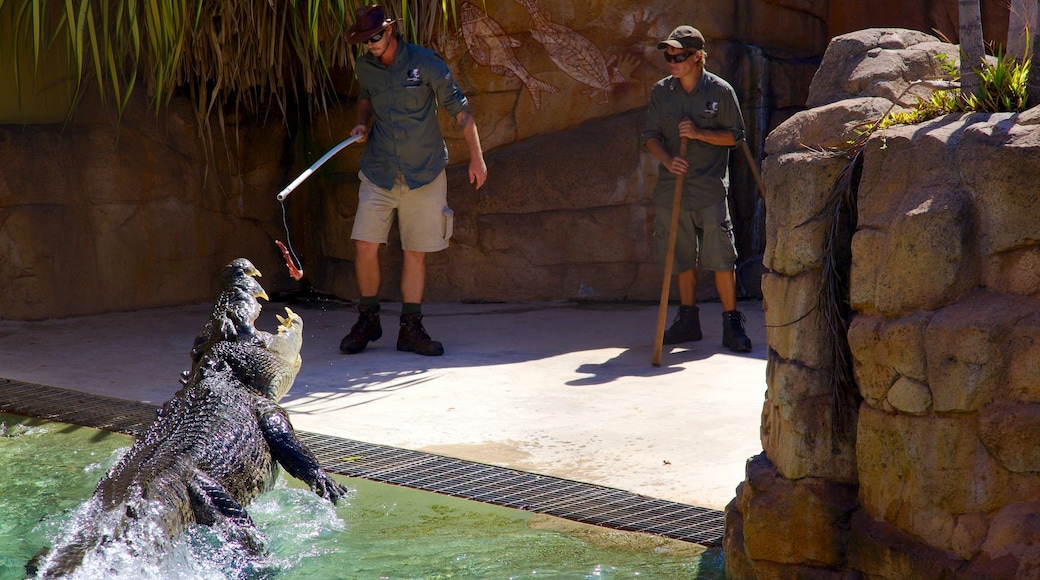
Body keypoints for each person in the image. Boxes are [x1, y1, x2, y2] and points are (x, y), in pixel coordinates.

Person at [340, 4, 488, 357]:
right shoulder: (366, 67)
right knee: (364, 243)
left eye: (375, 37)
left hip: (424, 172)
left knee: (415, 251)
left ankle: (410, 327)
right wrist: (362, 122)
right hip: (380, 169)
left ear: (390, 30)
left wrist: (478, 159)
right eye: (364, 40)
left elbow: (461, 111)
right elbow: (366, 97)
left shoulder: (426, 63)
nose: (371, 44)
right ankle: (368, 319)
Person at [641, 25, 752, 353]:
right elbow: (650, 136)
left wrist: (701, 133)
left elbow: (736, 136)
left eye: (679, 56)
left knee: (721, 257)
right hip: (672, 187)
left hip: (709, 187)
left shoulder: (720, 91)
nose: (672, 61)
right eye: (668, 56)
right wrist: (667, 160)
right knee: (680, 256)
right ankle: (688, 320)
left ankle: (732, 323)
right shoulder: (662, 92)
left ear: (697, 57)